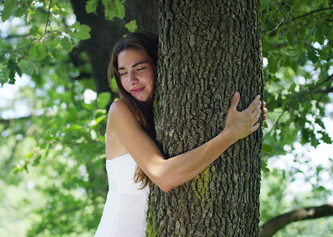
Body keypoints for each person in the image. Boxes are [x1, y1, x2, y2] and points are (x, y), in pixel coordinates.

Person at [94, 31, 268, 237]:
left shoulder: (158, 116)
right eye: (123, 73)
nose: (131, 80)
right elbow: (164, 176)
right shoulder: (120, 111)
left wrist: (249, 120)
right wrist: (229, 135)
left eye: (139, 68)